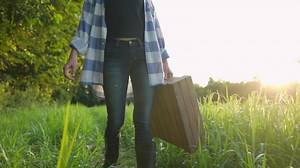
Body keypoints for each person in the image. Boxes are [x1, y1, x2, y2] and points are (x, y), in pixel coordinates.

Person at [63, 0, 172, 167]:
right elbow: (84, 23)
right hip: (113, 54)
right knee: (115, 120)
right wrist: (74, 54)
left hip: (144, 54)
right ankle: (110, 161)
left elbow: (154, 24)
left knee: (143, 120)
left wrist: (164, 60)